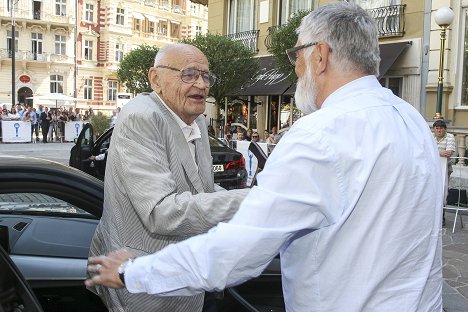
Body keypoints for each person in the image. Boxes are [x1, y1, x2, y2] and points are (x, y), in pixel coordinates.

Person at [86, 3, 443, 311]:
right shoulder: (412, 119)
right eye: (189, 75)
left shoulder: (320, 134)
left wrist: (135, 272)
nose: (296, 70)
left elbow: (240, 251)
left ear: (319, 56)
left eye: (296, 57)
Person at [85, 43, 248, 312]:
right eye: (189, 74)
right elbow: (162, 212)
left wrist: (249, 198)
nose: (201, 84)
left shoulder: (195, 120)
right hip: (142, 284)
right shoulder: (142, 116)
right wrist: (254, 200)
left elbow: (201, 191)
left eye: (206, 76)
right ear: (155, 79)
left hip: (185, 277)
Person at [433, 119, 456, 226]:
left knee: (442, 192)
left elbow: (448, 152)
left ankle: (441, 217)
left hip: (444, 169)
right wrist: (439, 152)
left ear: (445, 129)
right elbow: (424, 149)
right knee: (430, 192)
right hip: (431, 169)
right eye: (437, 128)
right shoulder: (430, 136)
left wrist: (435, 152)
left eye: (441, 128)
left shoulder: (450, 137)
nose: (439, 130)